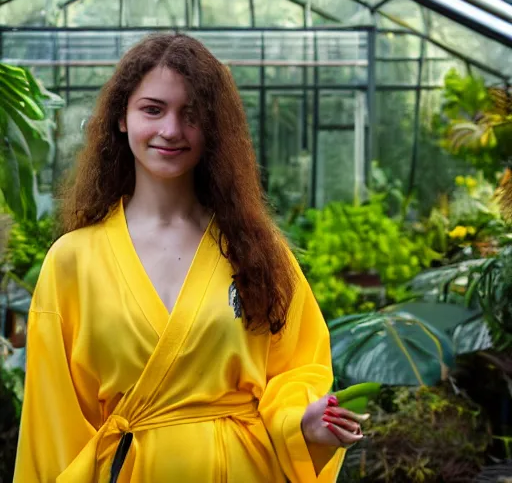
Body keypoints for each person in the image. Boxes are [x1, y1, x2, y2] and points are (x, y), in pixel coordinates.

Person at [13, 33, 366, 483]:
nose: (171, 130)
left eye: (192, 114)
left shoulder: (257, 252)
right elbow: (52, 421)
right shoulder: (71, 262)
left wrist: (304, 424)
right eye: (153, 109)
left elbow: (298, 369)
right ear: (122, 118)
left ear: (213, 126)